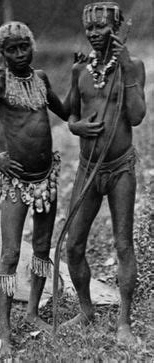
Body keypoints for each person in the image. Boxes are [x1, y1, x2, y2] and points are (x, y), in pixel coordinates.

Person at [0, 21, 69, 356]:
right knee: (10, 254)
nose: (19, 54)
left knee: (43, 248)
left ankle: (32, 312)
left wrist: (78, 77)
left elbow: (64, 111)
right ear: (1, 53)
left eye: (24, 47)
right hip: (16, 183)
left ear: (32, 46)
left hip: (46, 178)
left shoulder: (42, 79)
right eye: (11, 49)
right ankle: (5, 334)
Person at [64, 2, 146, 345]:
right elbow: (69, 115)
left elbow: (138, 115)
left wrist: (125, 67)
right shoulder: (81, 71)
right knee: (73, 246)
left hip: (120, 168)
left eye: (102, 28)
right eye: (90, 29)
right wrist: (77, 127)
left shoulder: (133, 66)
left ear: (115, 28)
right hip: (87, 169)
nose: (95, 34)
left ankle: (124, 323)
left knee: (123, 245)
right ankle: (86, 310)